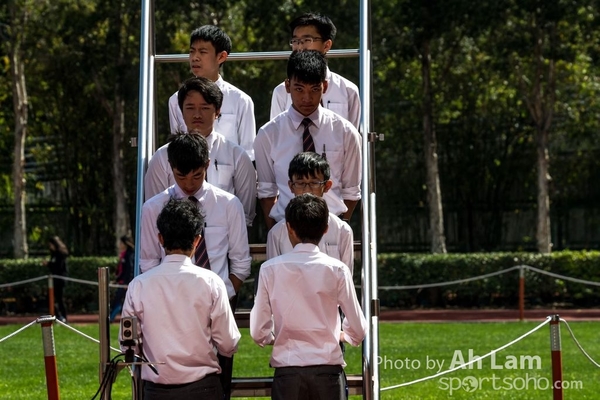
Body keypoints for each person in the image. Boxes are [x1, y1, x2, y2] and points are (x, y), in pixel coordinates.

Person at [140, 132, 250, 399]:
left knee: (218, 382)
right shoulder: (152, 208)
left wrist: (222, 294)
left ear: (208, 165)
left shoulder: (229, 204)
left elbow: (241, 263)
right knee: (165, 379)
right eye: (180, 176)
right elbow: (148, 262)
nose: (189, 184)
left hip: (219, 302)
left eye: (197, 175)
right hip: (167, 306)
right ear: (170, 168)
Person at [121, 198, 240, 400]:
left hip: (156, 391)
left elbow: (128, 345)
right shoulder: (211, 282)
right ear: (197, 240)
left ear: (160, 238)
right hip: (203, 388)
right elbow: (228, 344)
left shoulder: (139, 285)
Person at [250, 194, 366, 400]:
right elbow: (358, 328)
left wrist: (271, 338)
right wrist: (345, 335)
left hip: (287, 370)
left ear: (289, 229)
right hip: (327, 369)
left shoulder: (269, 269)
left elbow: (258, 330)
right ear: (325, 229)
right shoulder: (337, 269)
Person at [254, 50, 362, 230]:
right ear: (287, 86)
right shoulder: (268, 134)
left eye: (314, 89)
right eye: (299, 89)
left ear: (325, 87)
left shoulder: (345, 132)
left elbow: (352, 191)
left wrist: (338, 227)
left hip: (331, 227)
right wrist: (277, 229)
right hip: (286, 227)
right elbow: (266, 191)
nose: (306, 98)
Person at [145, 76, 257, 227]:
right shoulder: (162, 157)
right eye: (190, 108)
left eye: (204, 108)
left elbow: (245, 216)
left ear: (217, 111)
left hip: (224, 246)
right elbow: (154, 212)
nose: (197, 114)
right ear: (181, 110)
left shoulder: (237, 156)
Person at [168, 25, 256, 160]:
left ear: (221, 57)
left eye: (203, 52)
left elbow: (248, 154)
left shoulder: (241, 100)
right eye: (192, 51)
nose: (195, 58)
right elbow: (176, 149)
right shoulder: (175, 100)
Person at [267, 152, 354, 273]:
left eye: (314, 183)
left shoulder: (342, 231)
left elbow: (345, 276)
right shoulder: (276, 233)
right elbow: (273, 277)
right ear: (291, 186)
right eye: (300, 183)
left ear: (327, 186)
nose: (307, 190)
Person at [270, 13, 361, 128]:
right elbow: (276, 137)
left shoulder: (348, 90)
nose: (300, 47)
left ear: (327, 45)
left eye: (307, 40)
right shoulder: (281, 92)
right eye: (296, 41)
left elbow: (352, 139)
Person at [109, 235, 135, 322]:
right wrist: (116, 280)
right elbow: (123, 271)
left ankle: (111, 318)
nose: (119, 244)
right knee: (119, 300)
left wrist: (127, 283)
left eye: (121, 243)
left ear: (125, 244)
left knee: (118, 300)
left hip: (126, 284)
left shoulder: (129, 255)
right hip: (123, 282)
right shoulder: (125, 254)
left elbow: (129, 269)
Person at [43, 236, 69, 322]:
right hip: (54, 280)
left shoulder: (60, 254)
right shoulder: (53, 254)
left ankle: (63, 317)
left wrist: (49, 264)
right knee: (50, 298)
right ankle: (58, 315)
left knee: (60, 299)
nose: (50, 247)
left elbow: (59, 267)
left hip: (60, 280)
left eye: (51, 245)